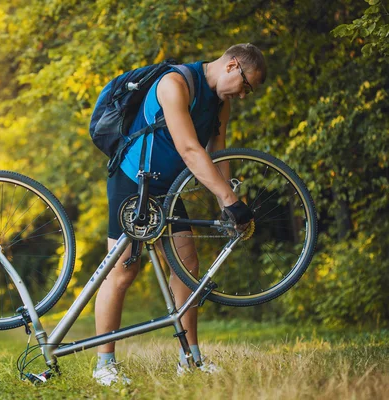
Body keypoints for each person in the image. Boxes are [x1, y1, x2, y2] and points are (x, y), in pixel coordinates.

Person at [92, 43, 267, 385]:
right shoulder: (175, 84)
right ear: (232, 66)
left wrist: (226, 203)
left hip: (169, 189)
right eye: (246, 85)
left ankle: (191, 360)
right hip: (132, 180)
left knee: (188, 269)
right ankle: (104, 365)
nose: (244, 94)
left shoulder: (222, 105)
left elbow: (218, 154)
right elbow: (190, 150)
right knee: (123, 270)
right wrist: (230, 200)